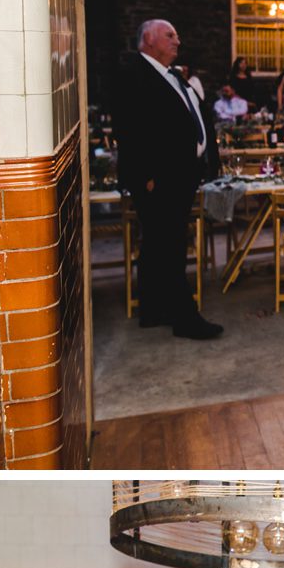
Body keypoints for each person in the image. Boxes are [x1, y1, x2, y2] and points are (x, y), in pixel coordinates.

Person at [112, 19, 223, 340]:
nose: (178, 40)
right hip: (159, 179)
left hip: (182, 173)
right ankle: (185, 318)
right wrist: (146, 175)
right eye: (170, 35)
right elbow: (130, 128)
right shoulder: (134, 75)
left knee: (157, 244)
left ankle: (152, 309)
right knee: (171, 245)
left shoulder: (171, 74)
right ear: (148, 39)